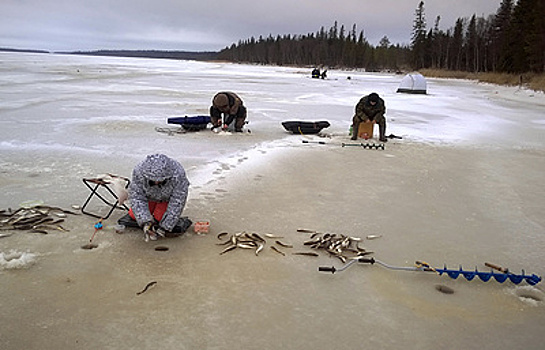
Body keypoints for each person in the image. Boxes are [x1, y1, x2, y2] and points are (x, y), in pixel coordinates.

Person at [127, 154, 190, 241]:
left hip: (166, 199)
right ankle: (150, 214)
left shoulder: (178, 174)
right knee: (133, 215)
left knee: (160, 219)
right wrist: (145, 222)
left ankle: (159, 213)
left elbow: (177, 201)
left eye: (160, 180)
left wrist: (164, 228)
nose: (156, 182)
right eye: (153, 180)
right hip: (149, 197)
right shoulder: (138, 171)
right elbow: (137, 197)